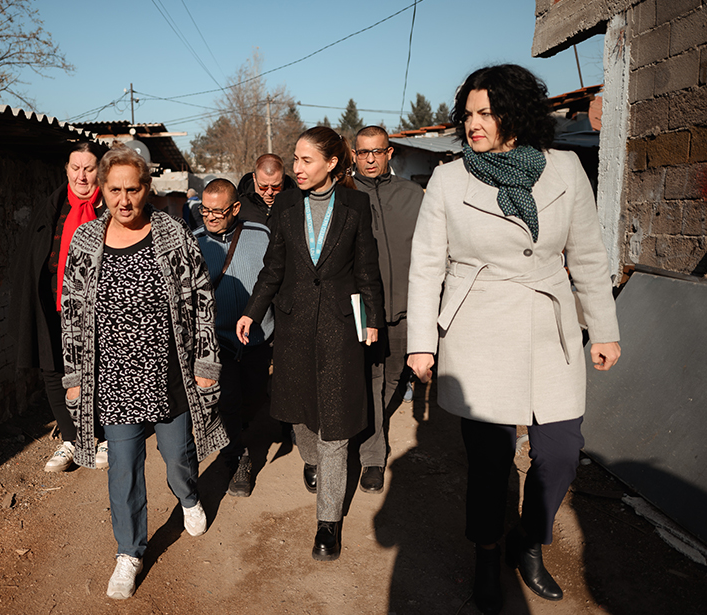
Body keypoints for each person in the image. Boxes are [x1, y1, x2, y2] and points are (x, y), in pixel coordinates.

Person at [405, 65, 621, 613]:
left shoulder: (567, 169)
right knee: (490, 462)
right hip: (480, 328)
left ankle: (529, 541)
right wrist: (422, 341)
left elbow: (589, 256)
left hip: (552, 325)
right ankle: (485, 552)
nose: (474, 124)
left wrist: (603, 327)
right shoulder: (450, 178)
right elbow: (427, 266)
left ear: (516, 114)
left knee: (559, 453)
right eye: (468, 115)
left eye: (486, 112)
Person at [61, 146, 228, 600]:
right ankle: (128, 553)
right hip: (113, 377)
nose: (124, 199)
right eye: (114, 190)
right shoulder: (87, 241)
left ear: (146, 188)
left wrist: (205, 362)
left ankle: (188, 496)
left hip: (169, 372)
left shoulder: (172, 234)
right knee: (123, 469)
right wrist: (75, 377)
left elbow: (200, 301)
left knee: (176, 456)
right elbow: (73, 316)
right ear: (102, 191)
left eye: (132, 189)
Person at [236, 126, 384, 562]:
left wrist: (370, 320)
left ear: (332, 164)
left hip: (340, 328)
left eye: (304, 160)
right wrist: (251, 310)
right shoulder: (284, 204)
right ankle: (312, 459)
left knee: (334, 425)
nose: (295, 169)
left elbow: (367, 270)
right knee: (299, 412)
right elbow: (273, 268)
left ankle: (328, 523)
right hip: (294, 326)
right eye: (295, 160)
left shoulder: (356, 205)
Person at [10, 141, 109, 473]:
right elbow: (32, 259)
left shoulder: (113, 208)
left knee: (101, 369)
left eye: (89, 168)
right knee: (53, 371)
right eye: (75, 167)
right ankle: (72, 439)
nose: (81, 176)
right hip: (53, 306)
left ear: (101, 170)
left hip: (99, 310)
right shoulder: (50, 208)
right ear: (66, 168)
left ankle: (107, 436)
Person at [351, 125, 424, 494]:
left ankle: (369, 432)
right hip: (362, 311)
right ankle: (372, 457)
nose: (369, 159)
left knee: (392, 380)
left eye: (376, 152)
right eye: (362, 152)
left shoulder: (414, 196)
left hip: (407, 309)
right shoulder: (344, 196)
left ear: (389, 153)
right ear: (353, 155)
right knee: (370, 381)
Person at [193, 179, 274, 497]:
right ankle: (237, 457)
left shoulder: (261, 234)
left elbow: (275, 278)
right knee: (227, 401)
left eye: (218, 211)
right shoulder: (195, 241)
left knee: (254, 398)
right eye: (205, 210)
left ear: (236, 208)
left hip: (258, 338)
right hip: (218, 342)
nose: (210, 217)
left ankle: (237, 434)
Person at [236, 153, 298, 227]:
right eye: (263, 187)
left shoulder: (296, 204)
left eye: (275, 187)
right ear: (254, 178)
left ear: (283, 179)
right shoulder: (239, 206)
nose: (269, 192)